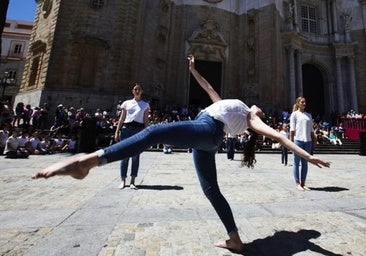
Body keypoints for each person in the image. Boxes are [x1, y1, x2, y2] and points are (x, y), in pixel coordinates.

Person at [32, 55, 330, 254]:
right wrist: (192, 70)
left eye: (262, 112)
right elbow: (210, 88)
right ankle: (235, 239)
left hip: (207, 130)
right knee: (211, 190)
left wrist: (307, 156)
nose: (261, 108)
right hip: (208, 138)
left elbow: (279, 135)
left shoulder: (251, 119)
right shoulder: (234, 104)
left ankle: (88, 162)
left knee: (152, 133)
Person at [114, 83, 150, 189]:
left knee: (135, 156)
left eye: (139, 89)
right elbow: (121, 118)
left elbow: (145, 120)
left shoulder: (145, 105)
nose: (137, 91)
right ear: (132, 91)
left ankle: (133, 181)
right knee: (124, 156)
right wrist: (117, 131)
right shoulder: (126, 103)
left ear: (142, 91)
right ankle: (123, 180)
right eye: (135, 89)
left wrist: (148, 133)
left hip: (138, 130)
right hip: (126, 130)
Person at [289, 97, 317, 191]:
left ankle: (303, 183)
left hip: (308, 141)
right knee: (296, 163)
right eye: (302, 102)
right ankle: (297, 183)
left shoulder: (309, 115)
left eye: (305, 102)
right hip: (298, 140)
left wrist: (314, 140)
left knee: (305, 163)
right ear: (298, 103)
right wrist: (290, 142)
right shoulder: (294, 114)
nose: (304, 103)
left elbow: (311, 130)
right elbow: (292, 129)